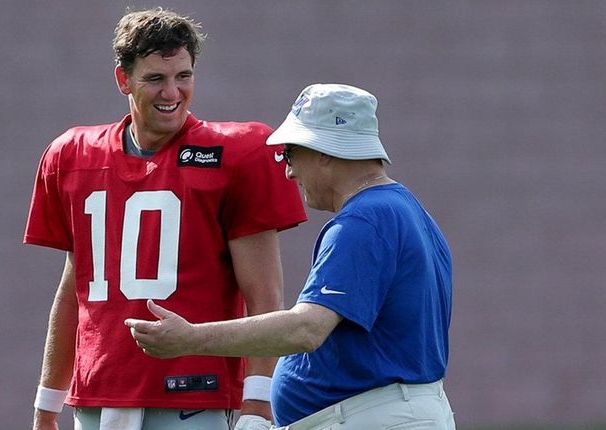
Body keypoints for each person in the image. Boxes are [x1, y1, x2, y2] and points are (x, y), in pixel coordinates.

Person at [23, 7, 307, 430]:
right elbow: (74, 289)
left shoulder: (236, 154)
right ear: (123, 80)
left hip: (195, 395)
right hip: (99, 393)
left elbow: (265, 295)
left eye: (183, 76)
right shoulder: (73, 154)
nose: (172, 92)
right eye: (155, 78)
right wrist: (47, 401)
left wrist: (258, 401)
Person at [125, 83, 456, 429]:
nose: (288, 171)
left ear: (325, 150)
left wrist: (190, 338)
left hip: (374, 417)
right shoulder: (404, 210)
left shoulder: (365, 219)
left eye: (291, 153)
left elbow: (307, 329)